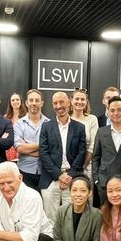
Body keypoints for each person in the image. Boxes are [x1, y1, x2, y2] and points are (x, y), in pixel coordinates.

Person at [39, 91, 87, 223]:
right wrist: (59, 175)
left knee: (71, 218)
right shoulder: (46, 126)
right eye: (55, 103)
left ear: (69, 103)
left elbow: (81, 153)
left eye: (61, 102)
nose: (58, 106)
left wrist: (69, 176)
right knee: (50, 219)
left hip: (72, 178)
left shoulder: (79, 127)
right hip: (50, 178)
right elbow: (43, 153)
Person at [13, 89, 49, 191]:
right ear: (26, 103)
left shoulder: (50, 124)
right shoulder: (18, 124)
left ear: (42, 103)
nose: (34, 103)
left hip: (45, 173)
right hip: (24, 171)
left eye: (37, 100)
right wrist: (43, 146)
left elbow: (51, 149)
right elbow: (19, 148)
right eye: (31, 100)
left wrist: (27, 147)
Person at [70, 88, 99, 188]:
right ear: (71, 100)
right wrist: (73, 168)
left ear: (86, 102)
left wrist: (82, 166)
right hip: (69, 166)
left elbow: (93, 145)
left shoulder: (92, 119)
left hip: (87, 166)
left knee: (86, 193)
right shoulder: (66, 118)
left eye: (82, 99)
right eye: (77, 99)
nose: (79, 102)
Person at [3, 92, 26, 162]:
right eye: (13, 100)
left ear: (21, 101)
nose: (15, 102)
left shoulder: (27, 116)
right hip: (9, 148)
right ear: (10, 103)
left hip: (22, 146)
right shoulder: (6, 117)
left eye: (17, 100)